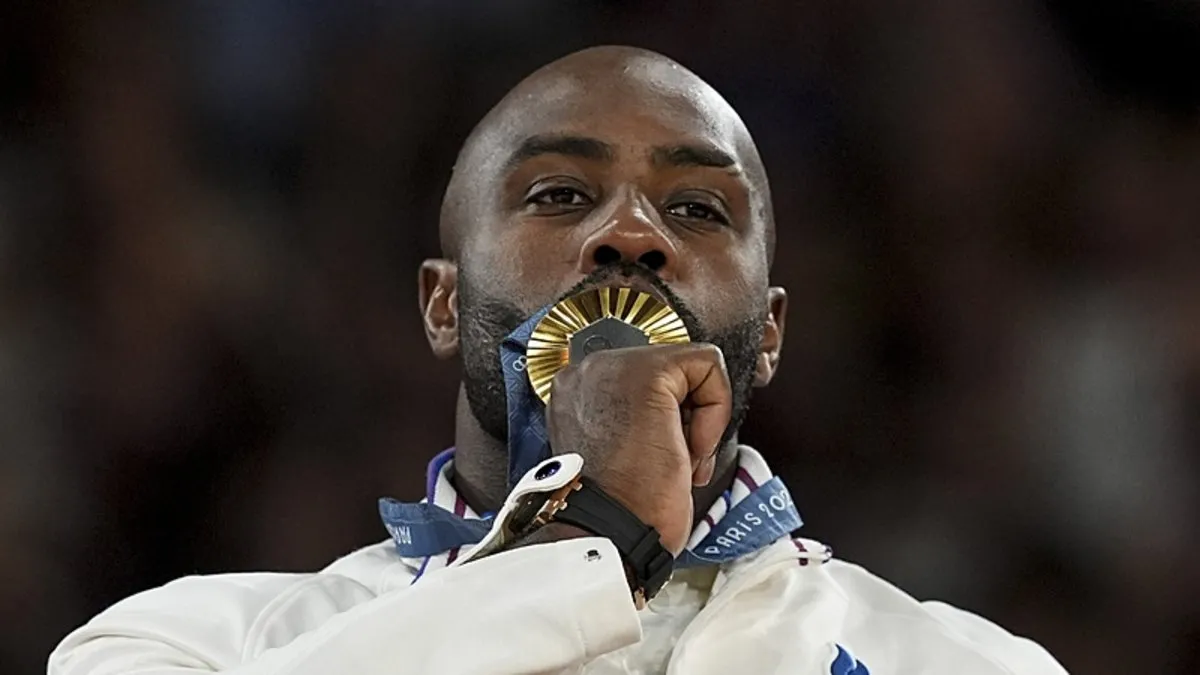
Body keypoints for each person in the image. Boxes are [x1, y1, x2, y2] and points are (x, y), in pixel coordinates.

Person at [48, 46, 1068, 675]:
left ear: (769, 333)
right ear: (442, 304)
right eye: (559, 196)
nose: (631, 233)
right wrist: (600, 539)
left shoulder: (968, 664)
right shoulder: (187, 645)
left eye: (698, 209)